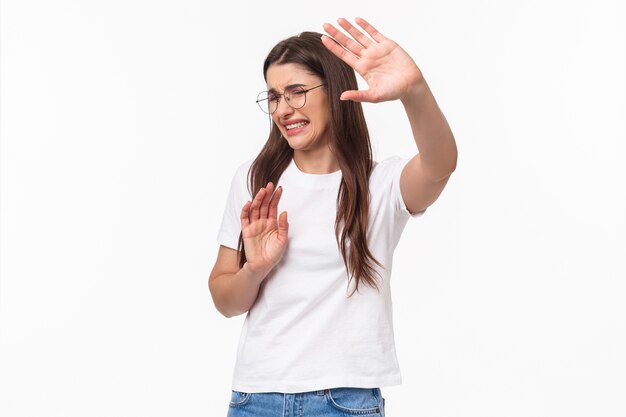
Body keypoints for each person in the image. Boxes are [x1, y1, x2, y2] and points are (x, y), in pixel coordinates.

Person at [209, 17, 458, 416]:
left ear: (336, 90)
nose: (283, 109)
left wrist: (415, 91)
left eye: (297, 92)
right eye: (273, 96)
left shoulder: (380, 184)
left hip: (344, 401)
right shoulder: (256, 179)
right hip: (256, 398)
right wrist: (254, 269)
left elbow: (441, 164)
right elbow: (225, 300)